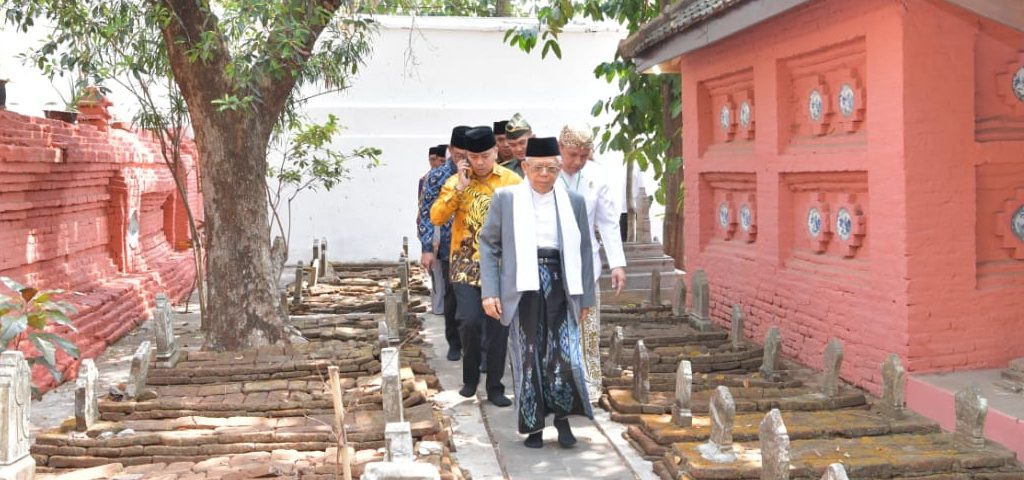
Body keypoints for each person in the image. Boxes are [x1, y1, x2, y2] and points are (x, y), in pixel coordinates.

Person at [479, 136, 596, 449]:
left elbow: (585, 250)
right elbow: (488, 244)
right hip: (523, 285)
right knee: (529, 354)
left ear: (559, 169)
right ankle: (533, 425)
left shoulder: (574, 201)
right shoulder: (506, 198)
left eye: (552, 169)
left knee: (563, 354)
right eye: (538, 168)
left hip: (562, 281)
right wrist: (490, 291)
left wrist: (586, 298)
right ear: (524, 167)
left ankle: (562, 419)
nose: (545, 174)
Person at [431, 126, 521, 407]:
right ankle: (470, 379)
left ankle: (495, 385)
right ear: (465, 157)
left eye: (484, 156)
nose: (479, 162)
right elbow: (437, 216)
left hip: (500, 263)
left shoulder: (512, 181)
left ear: (495, 152)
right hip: (465, 262)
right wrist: (459, 187)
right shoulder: (456, 181)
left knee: (497, 325)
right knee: (468, 321)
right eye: (474, 157)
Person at [558, 124, 626, 402]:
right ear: (560, 148)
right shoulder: (545, 173)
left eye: (583, 156)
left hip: (586, 262)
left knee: (589, 325)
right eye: (572, 154)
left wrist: (617, 264)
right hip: (552, 262)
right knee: (555, 325)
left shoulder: (597, 177)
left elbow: (608, 223)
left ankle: (590, 382)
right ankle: (558, 381)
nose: (576, 162)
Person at [419, 127, 469, 361]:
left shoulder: (479, 173)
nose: (463, 158)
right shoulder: (437, 176)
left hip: (477, 246)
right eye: (458, 154)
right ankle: (454, 342)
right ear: (450, 150)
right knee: (452, 296)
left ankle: (475, 345)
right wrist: (427, 248)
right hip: (449, 246)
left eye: (466, 153)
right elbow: (427, 213)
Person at [501, 113, 530, 178]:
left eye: (522, 143)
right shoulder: (505, 170)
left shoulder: (549, 164)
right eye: (512, 145)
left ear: (533, 138)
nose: (518, 149)